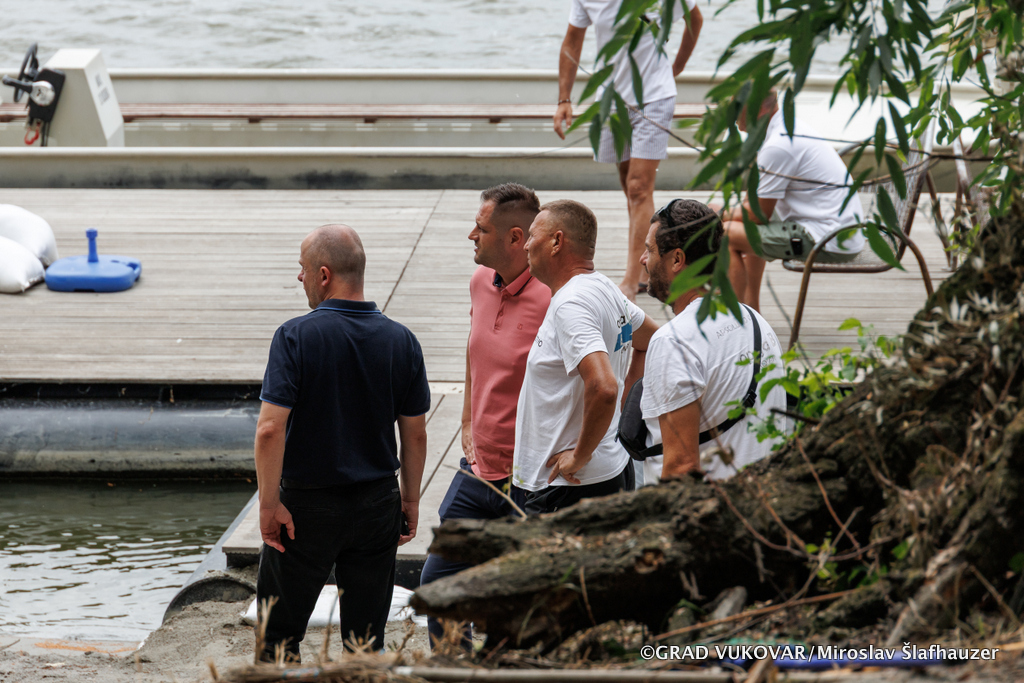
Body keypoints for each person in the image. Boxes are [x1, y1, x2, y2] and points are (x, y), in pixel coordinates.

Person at [254, 224, 430, 661]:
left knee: (277, 639)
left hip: (305, 508)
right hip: (377, 502)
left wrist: (269, 504)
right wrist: (409, 500)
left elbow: (270, 430)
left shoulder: (294, 336)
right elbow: (415, 433)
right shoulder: (403, 340)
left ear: (324, 274)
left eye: (303, 268)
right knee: (365, 643)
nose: (300, 277)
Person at [418, 183, 549, 646]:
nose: (471, 235)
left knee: (514, 608)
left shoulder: (555, 298)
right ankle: (454, 670)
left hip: (530, 481)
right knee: (438, 588)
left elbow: (614, 361)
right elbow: (475, 348)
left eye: (482, 228)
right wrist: (466, 419)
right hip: (478, 470)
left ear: (516, 238)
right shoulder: (479, 281)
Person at [515, 199, 658, 512]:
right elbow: (651, 340)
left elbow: (604, 386)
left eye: (532, 235)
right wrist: (624, 406)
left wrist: (580, 455)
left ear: (557, 242)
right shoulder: (603, 286)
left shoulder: (571, 304)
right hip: (609, 468)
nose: (526, 245)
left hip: (571, 486)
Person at [554, 0, 703, 301]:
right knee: (628, 184)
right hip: (612, 100)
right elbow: (572, 40)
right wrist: (564, 99)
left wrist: (676, 68)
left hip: (655, 96)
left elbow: (694, 19)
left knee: (639, 186)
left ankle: (632, 281)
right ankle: (649, 261)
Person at [639, 199, 787, 483]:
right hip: (764, 492)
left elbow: (681, 468)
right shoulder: (754, 320)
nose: (643, 260)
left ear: (677, 259)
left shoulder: (674, 342)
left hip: (715, 504)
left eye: (649, 250)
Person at [722, 91, 865, 312]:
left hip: (828, 238)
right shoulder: (785, 128)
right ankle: (751, 310)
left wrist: (716, 214)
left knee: (725, 234)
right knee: (737, 225)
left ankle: (736, 320)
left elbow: (757, 214)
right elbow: (755, 201)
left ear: (757, 109)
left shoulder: (778, 145)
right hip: (837, 228)